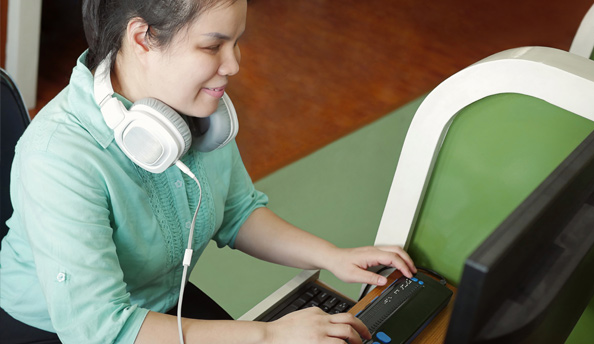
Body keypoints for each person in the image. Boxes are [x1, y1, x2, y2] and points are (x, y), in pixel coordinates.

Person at [0, 0, 417, 343]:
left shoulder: (193, 112)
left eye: (236, 42)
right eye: (212, 46)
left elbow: (237, 211)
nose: (233, 64)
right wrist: (269, 336)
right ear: (142, 38)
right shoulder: (57, 156)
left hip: (161, 303)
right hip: (62, 329)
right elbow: (100, 326)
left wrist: (332, 256)